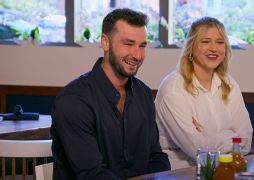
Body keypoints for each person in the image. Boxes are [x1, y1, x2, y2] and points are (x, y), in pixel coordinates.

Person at [51, 8, 170, 179]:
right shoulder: (73, 101)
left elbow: (156, 157)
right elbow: (92, 174)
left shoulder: (143, 93)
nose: (137, 55)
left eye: (142, 45)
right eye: (128, 44)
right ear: (105, 43)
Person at [155, 17, 253, 169]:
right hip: (179, 172)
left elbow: (246, 142)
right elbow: (197, 150)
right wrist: (231, 136)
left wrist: (207, 137)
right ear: (191, 47)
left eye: (220, 42)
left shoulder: (230, 84)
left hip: (221, 168)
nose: (214, 48)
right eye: (205, 41)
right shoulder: (172, 89)